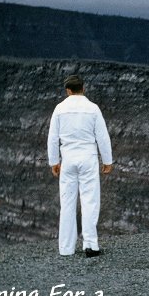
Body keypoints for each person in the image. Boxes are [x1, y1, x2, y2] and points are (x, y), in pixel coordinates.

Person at [47, 75, 113, 257]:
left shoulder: (59, 109)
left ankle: (66, 249)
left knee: (67, 203)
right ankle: (90, 245)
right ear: (83, 88)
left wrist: (54, 162)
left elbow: (52, 138)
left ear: (68, 90)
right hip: (88, 159)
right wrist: (107, 161)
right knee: (89, 201)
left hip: (68, 159)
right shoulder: (93, 109)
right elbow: (102, 136)